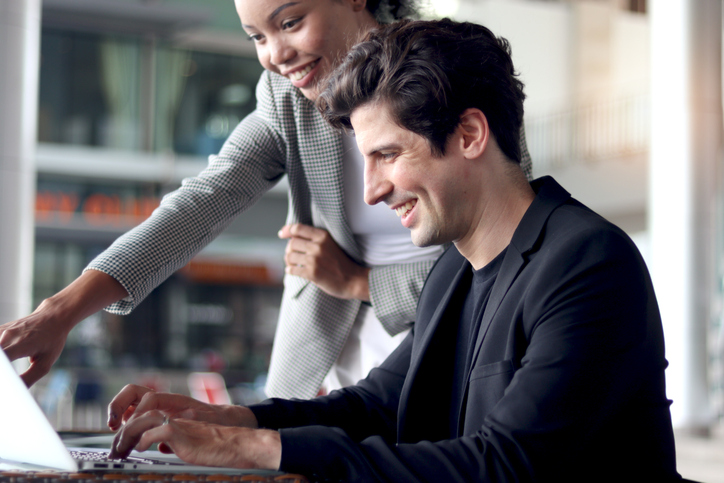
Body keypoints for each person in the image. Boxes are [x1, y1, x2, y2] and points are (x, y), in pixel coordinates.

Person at [104, 18, 681, 482]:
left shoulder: (588, 263)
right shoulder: (455, 266)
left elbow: (508, 465)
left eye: (386, 156)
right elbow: (374, 405)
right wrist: (231, 419)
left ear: (470, 134)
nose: (372, 191)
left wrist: (257, 450)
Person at [0, 0, 533, 399]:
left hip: (452, 333)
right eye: (256, 36)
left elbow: (499, 249)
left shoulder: (451, 73)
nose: (276, 56)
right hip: (323, 350)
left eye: (290, 22)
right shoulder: (285, 98)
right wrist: (62, 311)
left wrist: (360, 282)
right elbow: (207, 198)